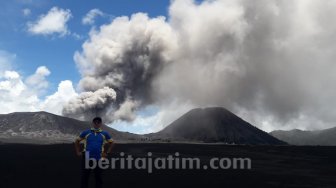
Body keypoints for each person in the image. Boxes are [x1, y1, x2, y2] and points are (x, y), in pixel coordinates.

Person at [74, 117, 114, 188]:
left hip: (99, 157)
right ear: (93, 123)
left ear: (100, 124)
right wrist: (78, 151)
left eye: (98, 122)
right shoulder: (86, 132)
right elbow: (77, 141)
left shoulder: (104, 133)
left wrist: (107, 153)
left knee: (98, 177)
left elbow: (112, 142)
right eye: (95, 122)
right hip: (87, 156)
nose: (96, 123)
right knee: (85, 176)